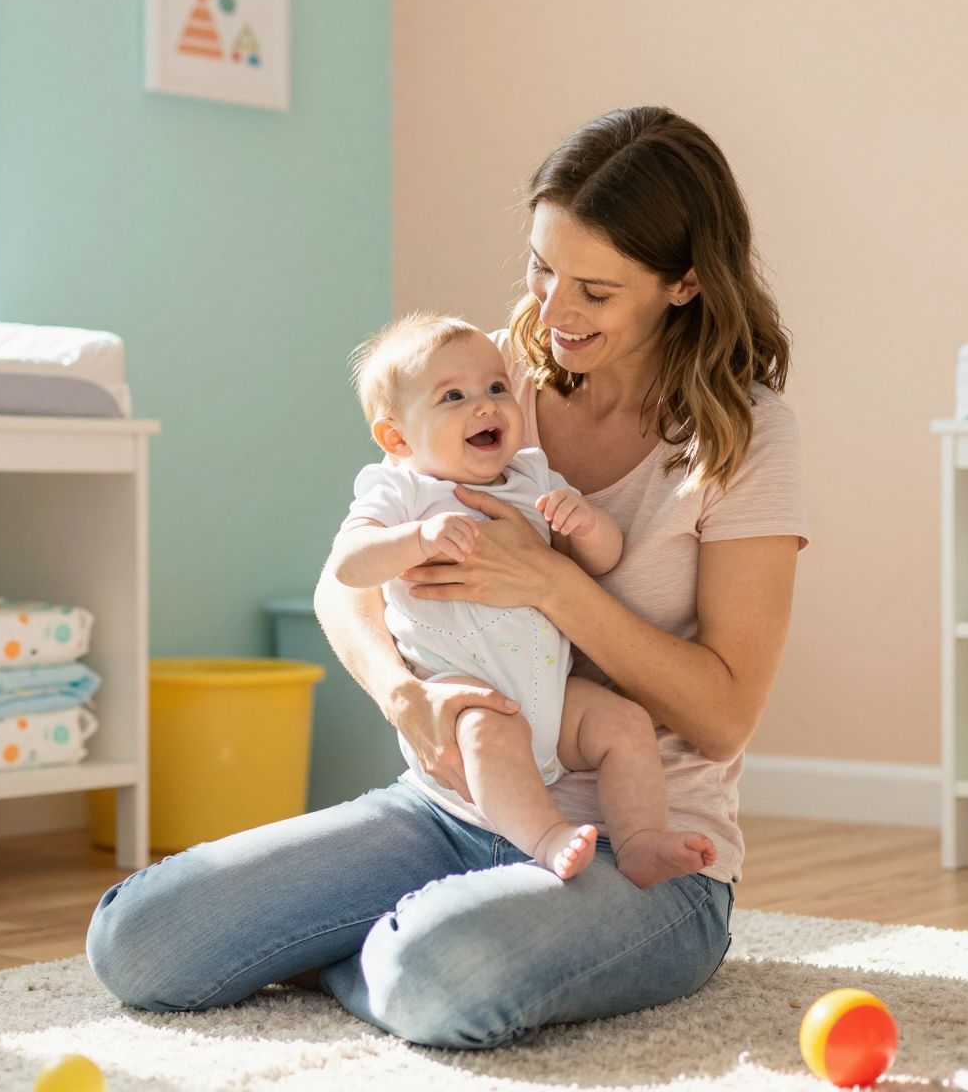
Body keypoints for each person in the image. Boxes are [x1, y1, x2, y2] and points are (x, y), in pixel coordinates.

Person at [85, 106, 805, 1049]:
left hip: (640, 854)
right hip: (451, 801)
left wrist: (549, 584)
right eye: (543, 269)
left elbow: (724, 714)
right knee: (139, 940)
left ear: (686, 284)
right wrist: (402, 696)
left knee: (436, 972)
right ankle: (392, 935)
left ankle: (382, 946)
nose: (552, 314)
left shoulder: (743, 435)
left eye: (594, 288)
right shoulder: (484, 389)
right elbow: (344, 583)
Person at [333, 311, 716, 887]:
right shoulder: (403, 490)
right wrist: (415, 539)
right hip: (468, 703)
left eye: (495, 388)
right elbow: (347, 566)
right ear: (397, 438)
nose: (485, 406)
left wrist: (584, 523)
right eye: (453, 397)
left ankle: (640, 841)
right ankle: (546, 836)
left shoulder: (531, 476)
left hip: (552, 696)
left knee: (625, 725)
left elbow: (605, 559)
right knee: (491, 735)